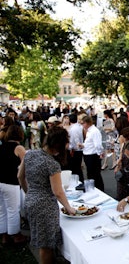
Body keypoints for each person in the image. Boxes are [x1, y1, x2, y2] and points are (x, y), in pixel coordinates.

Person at [18, 127, 76, 264]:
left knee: (42, 240)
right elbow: (58, 192)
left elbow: (20, 176)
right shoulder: (51, 163)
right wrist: (69, 208)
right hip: (45, 207)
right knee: (46, 245)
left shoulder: (30, 154)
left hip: (31, 201)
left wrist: (29, 192)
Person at [0, 125, 29, 245]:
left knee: (2, 209)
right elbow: (26, 165)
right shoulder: (18, 147)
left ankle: (4, 235)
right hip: (11, 182)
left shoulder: (1, 146)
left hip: (0, 180)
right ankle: (16, 235)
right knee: (13, 209)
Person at [78, 115, 105, 191]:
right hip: (89, 154)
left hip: (92, 155)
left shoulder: (94, 131)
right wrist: (83, 145)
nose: (82, 125)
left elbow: (98, 144)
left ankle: (99, 189)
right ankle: (95, 188)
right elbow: (90, 143)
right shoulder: (90, 131)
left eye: (83, 123)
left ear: (87, 123)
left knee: (95, 174)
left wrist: (99, 153)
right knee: (91, 174)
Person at [66, 113, 84, 182]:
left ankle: (79, 182)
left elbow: (74, 140)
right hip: (79, 149)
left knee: (76, 168)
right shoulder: (79, 127)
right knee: (78, 168)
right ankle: (80, 181)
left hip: (75, 150)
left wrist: (70, 147)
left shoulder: (72, 129)